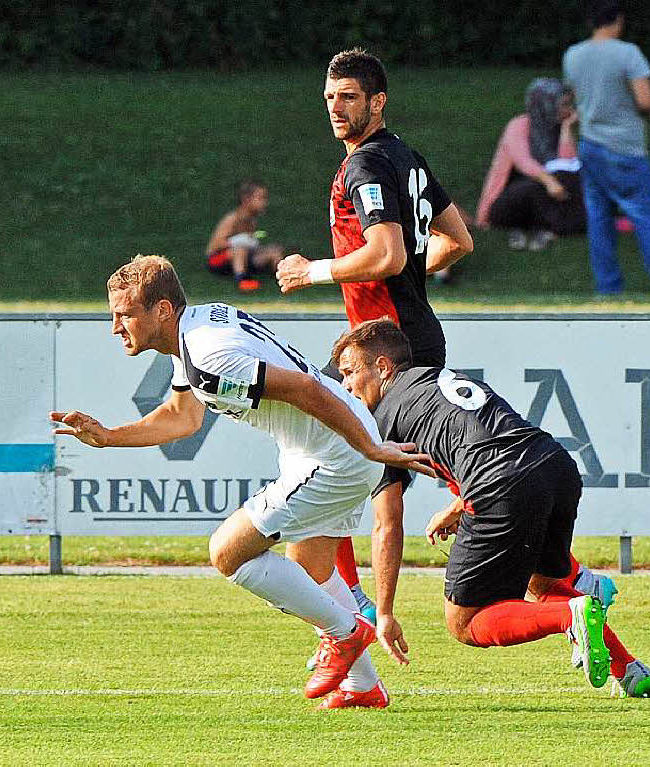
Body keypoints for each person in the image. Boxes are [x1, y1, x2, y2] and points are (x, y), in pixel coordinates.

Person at [51, 255, 435, 710]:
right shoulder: (196, 331)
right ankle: (362, 687)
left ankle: (348, 633)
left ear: (162, 311)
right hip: (329, 447)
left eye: (125, 313)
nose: (116, 326)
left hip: (335, 454)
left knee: (228, 552)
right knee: (311, 570)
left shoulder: (207, 357)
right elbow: (181, 417)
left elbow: (305, 389)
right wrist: (111, 437)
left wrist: (368, 449)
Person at [332, 318, 650, 698]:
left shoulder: (381, 423)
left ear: (383, 367)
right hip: (553, 465)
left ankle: (572, 613)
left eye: (350, 372)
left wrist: (384, 612)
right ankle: (630, 670)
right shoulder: (436, 378)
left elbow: (387, 525)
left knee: (465, 621)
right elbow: (493, 442)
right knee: (544, 582)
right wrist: (458, 505)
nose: (345, 386)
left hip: (499, 486)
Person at [274, 48, 473, 637]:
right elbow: (457, 240)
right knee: (335, 468)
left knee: (344, 476)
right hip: (401, 339)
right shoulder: (406, 157)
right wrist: (411, 276)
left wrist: (313, 271)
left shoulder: (363, 166)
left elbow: (385, 253)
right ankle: (358, 610)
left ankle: (364, 616)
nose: (336, 108)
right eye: (330, 97)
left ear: (377, 102)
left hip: (388, 353)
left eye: (349, 97)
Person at [563, 1, 650, 296]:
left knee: (599, 218)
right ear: (617, 20)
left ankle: (607, 289)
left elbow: (575, 97)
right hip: (625, 148)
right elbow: (645, 101)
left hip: (590, 145)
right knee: (645, 215)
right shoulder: (627, 53)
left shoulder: (573, 55)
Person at [475, 78, 586, 250]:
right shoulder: (518, 125)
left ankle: (546, 228)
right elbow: (523, 161)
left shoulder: (557, 126)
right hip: (510, 198)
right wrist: (549, 181)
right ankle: (563, 227)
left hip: (544, 193)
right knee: (533, 188)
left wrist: (566, 129)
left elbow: (568, 164)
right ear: (547, 105)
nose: (569, 110)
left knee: (574, 179)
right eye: (563, 105)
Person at [205, 180, 283, 291]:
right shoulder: (232, 219)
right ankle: (242, 280)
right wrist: (238, 241)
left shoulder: (252, 220)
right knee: (240, 249)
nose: (265, 203)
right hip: (218, 260)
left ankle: (282, 277)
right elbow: (214, 246)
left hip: (245, 257)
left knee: (273, 251)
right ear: (246, 200)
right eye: (261, 198)